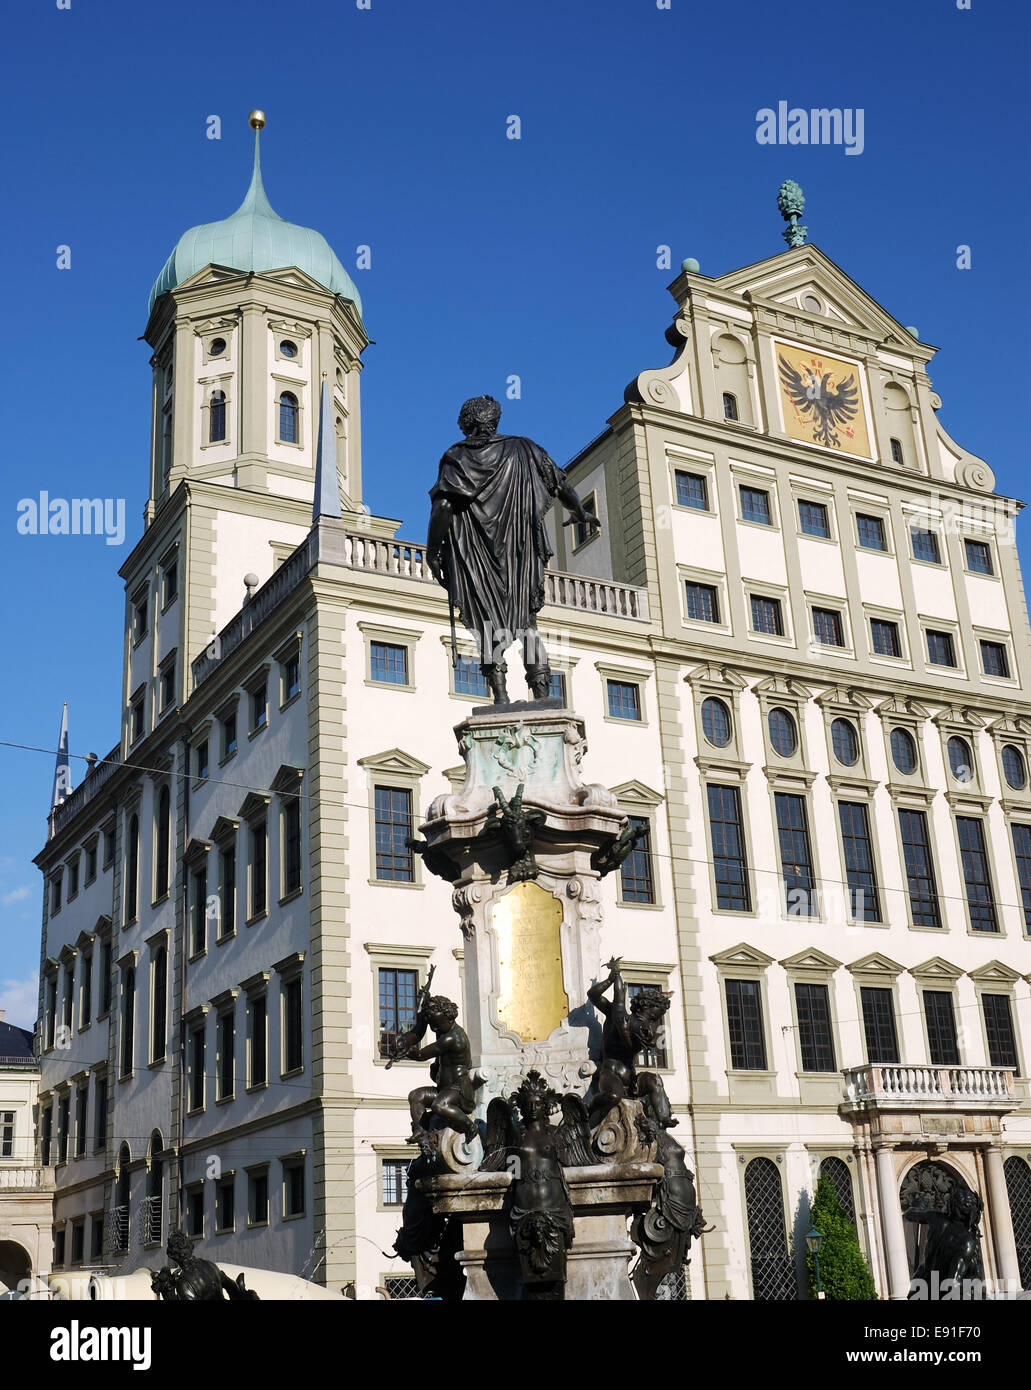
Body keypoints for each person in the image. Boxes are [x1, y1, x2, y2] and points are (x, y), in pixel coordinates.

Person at [427, 395, 599, 703]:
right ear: (495, 420)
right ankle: (543, 696)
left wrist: (432, 550)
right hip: (519, 554)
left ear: (466, 424)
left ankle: (501, 699)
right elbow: (561, 485)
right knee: (527, 625)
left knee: (487, 626)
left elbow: (443, 505)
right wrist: (579, 512)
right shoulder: (525, 449)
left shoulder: (456, 456)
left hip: (476, 554)